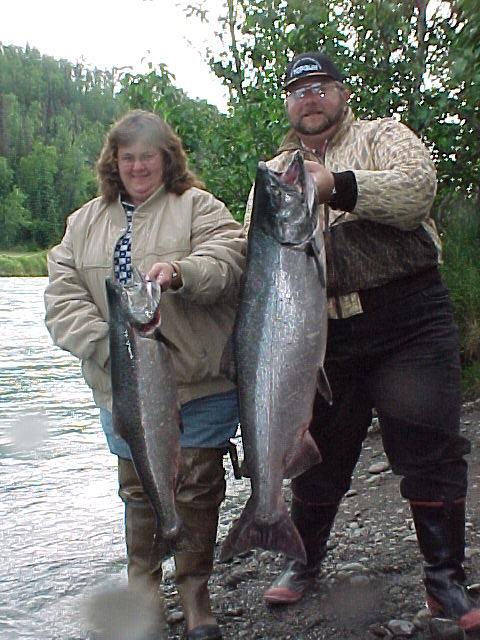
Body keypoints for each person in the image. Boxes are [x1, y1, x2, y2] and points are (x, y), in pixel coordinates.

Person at [245, 51, 480, 633]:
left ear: (342, 94)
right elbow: (248, 263)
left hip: (408, 318)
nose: (311, 97)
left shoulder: (384, 137)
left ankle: (444, 580)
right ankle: (301, 561)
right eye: (298, 89)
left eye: (321, 86)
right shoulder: (272, 177)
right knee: (319, 457)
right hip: (320, 336)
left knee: (429, 448)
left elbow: (416, 191)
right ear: (288, 104)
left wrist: (335, 186)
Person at [44, 109, 246, 640]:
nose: (137, 165)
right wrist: (110, 346)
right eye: (127, 156)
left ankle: (196, 596)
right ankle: (145, 597)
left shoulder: (199, 207)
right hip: (123, 390)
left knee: (198, 488)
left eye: (148, 155)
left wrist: (181, 273)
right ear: (113, 161)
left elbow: (231, 261)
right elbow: (62, 301)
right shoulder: (82, 223)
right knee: (139, 491)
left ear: (167, 157)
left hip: (201, 384)